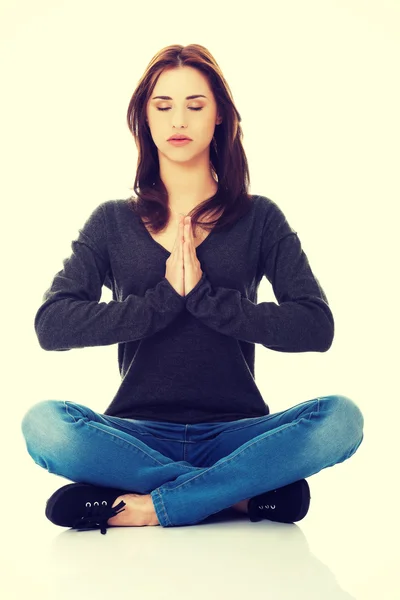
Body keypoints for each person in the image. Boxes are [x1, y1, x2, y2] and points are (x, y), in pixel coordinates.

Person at [21, 44, 364, 535]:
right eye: (163, 106)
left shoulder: (259, 217)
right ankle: (237, 496)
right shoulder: (112, 221)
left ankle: (147, 505)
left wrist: (205, 297)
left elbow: (315, 325)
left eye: (195, 105)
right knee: (45, 425)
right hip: (135, 437)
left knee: (342, 419)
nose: (178, 118)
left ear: (220, 116)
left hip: (238, 432)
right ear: (145, 116)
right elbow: (51, 325)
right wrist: (162, 301)